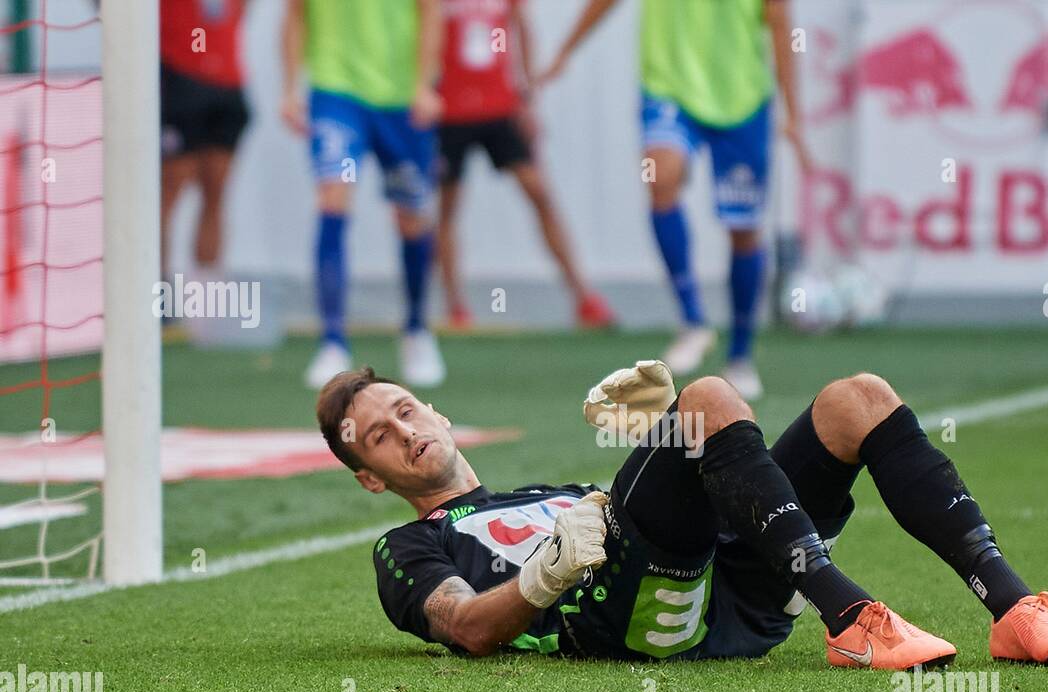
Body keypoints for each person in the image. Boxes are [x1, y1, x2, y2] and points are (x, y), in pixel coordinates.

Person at [315, 360, 1048, 668]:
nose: (407, 433)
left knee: (855, 402)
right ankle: (851, 618)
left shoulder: (541, 489)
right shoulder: (405, 546)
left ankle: (1012, 607)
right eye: (380, 437)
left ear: (441, 415)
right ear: (370, 480)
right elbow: (464, 628)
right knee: (709, 397)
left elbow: (669, 495)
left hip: (727, 589)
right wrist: (544, 578)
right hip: (634, 619)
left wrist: (676, 440)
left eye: (408, 411)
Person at [540, 0, 812, 400]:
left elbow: (781, 24)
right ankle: (692, 319)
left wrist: (793, 112)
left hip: (742, 99)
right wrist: (566, 50)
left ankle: (739, 355)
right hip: (668, 88)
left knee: (744, 230)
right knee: (659, 176)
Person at [281, 0, 446, 389]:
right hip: (335, 91)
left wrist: (424, 84)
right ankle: (333, 342)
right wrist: (289, 88)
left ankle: (417, 329)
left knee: (411, 218)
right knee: (332, 199)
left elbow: (431, 12)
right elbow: (294, 14)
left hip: (401, 98)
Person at [437, 0, 615, 330]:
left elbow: (522, 28)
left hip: (500, 106)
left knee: (540, 193)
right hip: (450, 110)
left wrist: (528, 96)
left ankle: (583, 296)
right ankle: (455, 307)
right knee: (447, 207)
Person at [160, 0, 249, 300]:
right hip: (179, 79)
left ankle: (207, 301)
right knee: (166, 194)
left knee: (216, 195)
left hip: (227, 84)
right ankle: (157, 301)